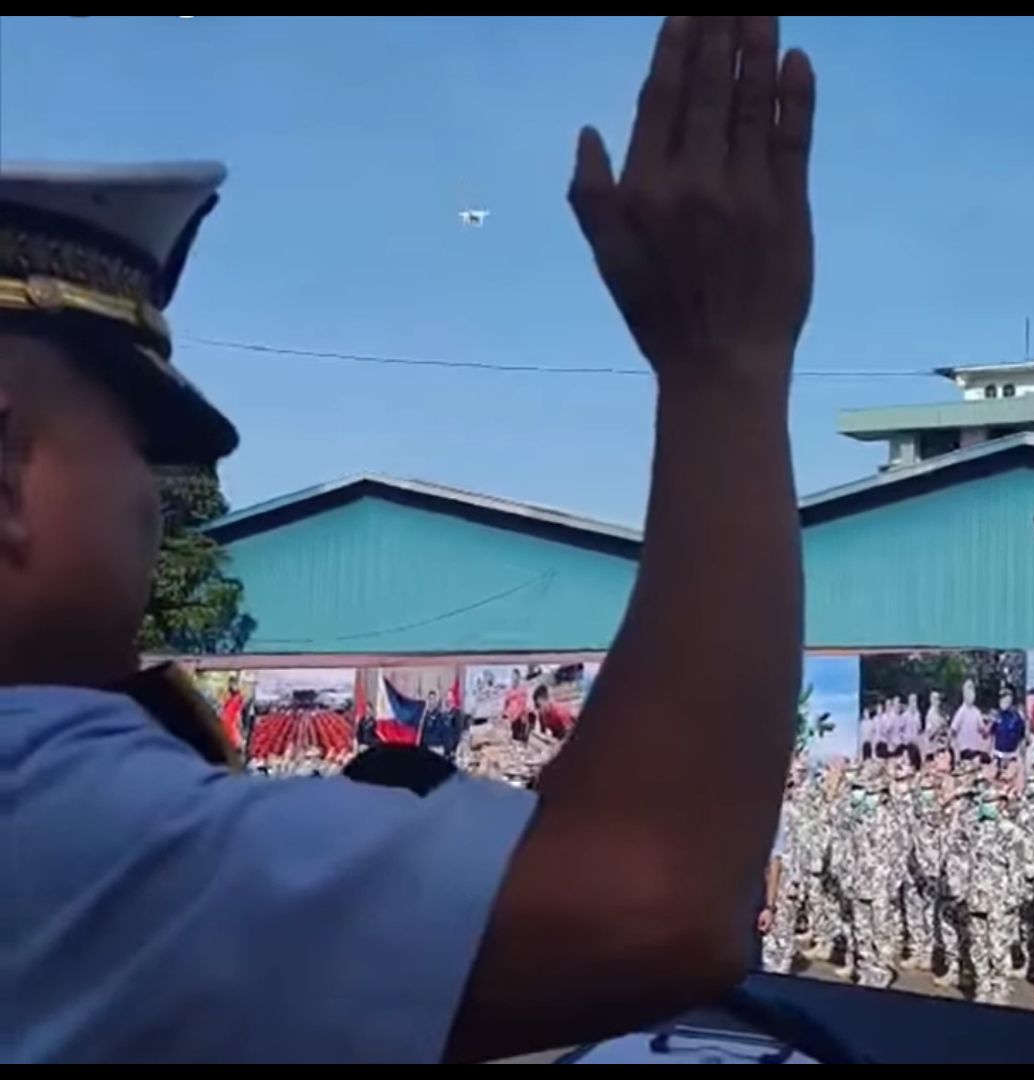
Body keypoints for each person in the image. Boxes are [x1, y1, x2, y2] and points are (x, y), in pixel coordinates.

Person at [7, 16, 816, 1064]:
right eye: (135, 450)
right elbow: (648, 897)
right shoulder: (40, 808)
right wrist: (726, 362)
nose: (151, 508)